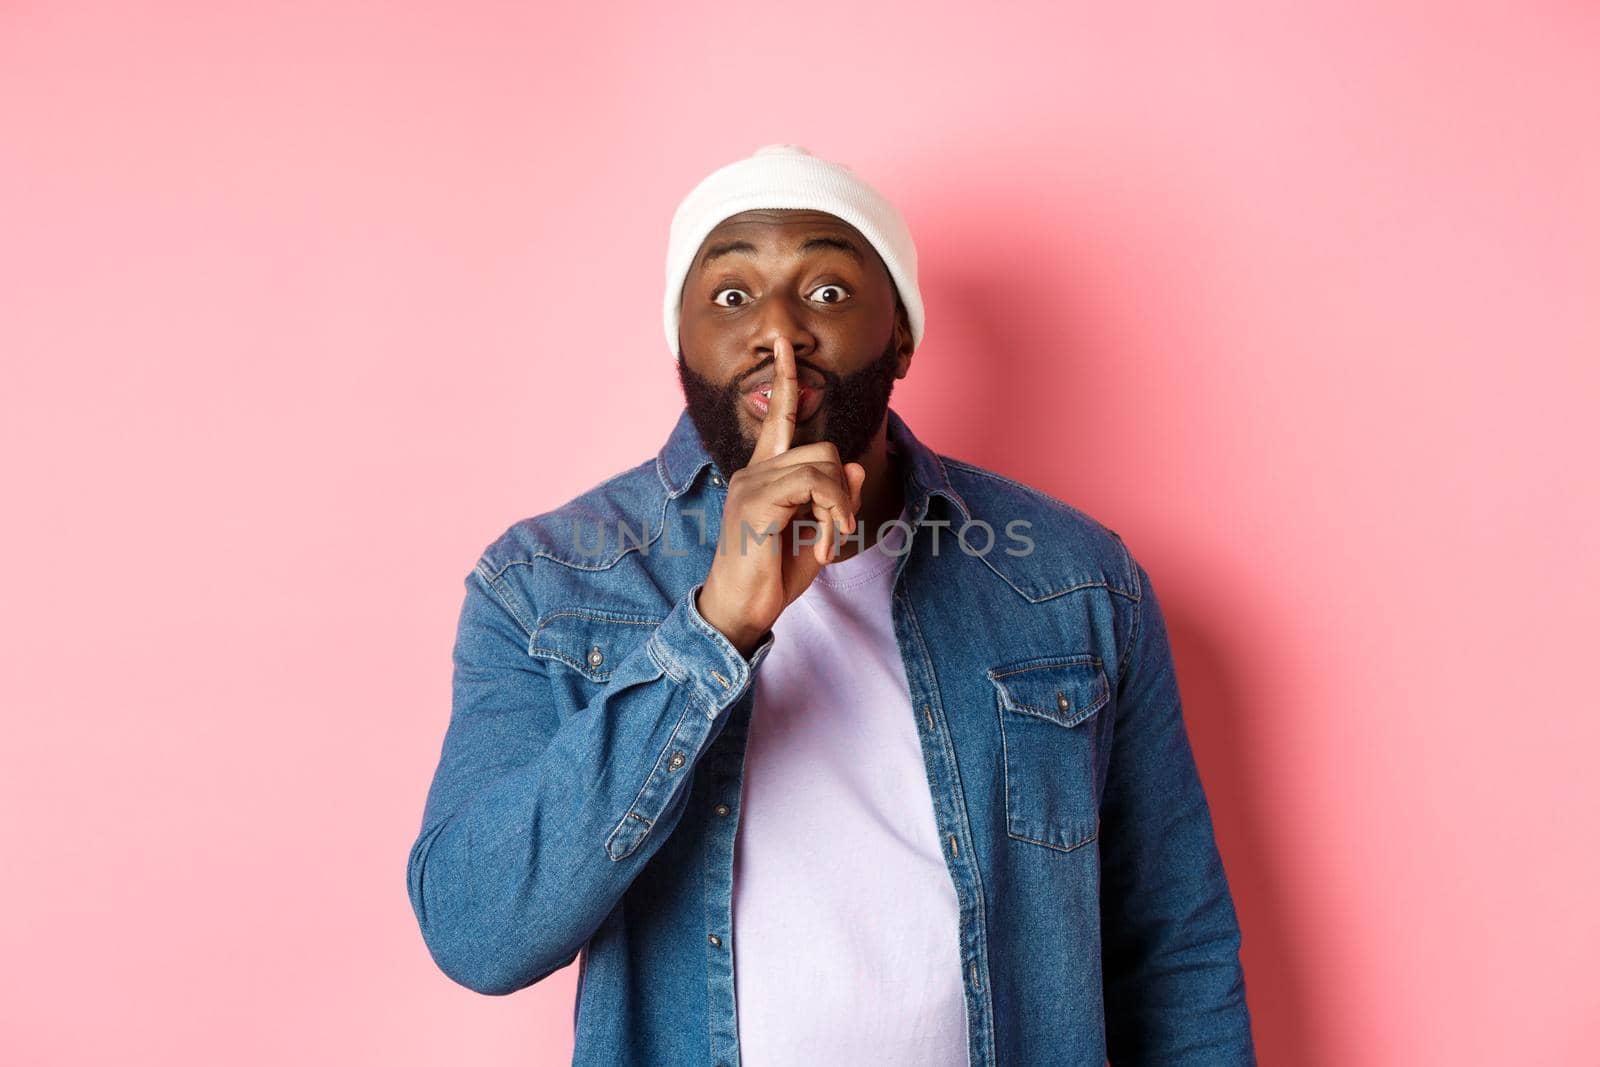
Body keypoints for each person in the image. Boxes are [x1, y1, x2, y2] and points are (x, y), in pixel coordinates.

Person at [406, 143, 1257, 1066]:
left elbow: (1175, 946)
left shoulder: (1074, 578)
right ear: (680, 339)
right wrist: (714, 631)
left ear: (902, 334)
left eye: (826, 292)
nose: (780, 332)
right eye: (732, 296)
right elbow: (477, 931)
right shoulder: (547, 581)